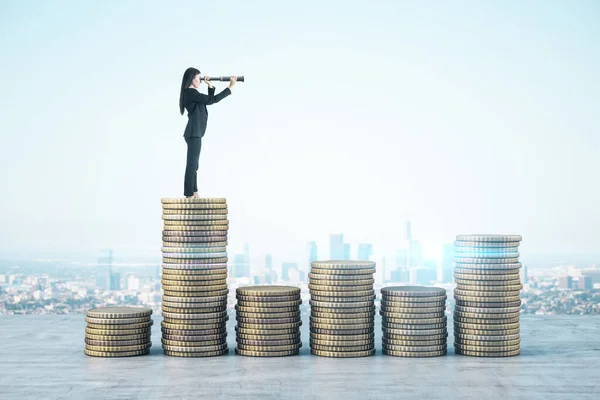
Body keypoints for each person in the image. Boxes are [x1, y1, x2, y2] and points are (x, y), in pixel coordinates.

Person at [179, 67, 236, 198]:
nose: (200, 80)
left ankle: (194, 192)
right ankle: (189, 194)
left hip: (195, 133)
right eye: (198, 78)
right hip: (193, 133)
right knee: (192, 165)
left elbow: (208, 101)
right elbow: (213, 100)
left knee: (194, 165)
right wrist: (230, 88)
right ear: (191, 79)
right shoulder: (190, 92)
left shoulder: (192, 94)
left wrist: (210, 86)